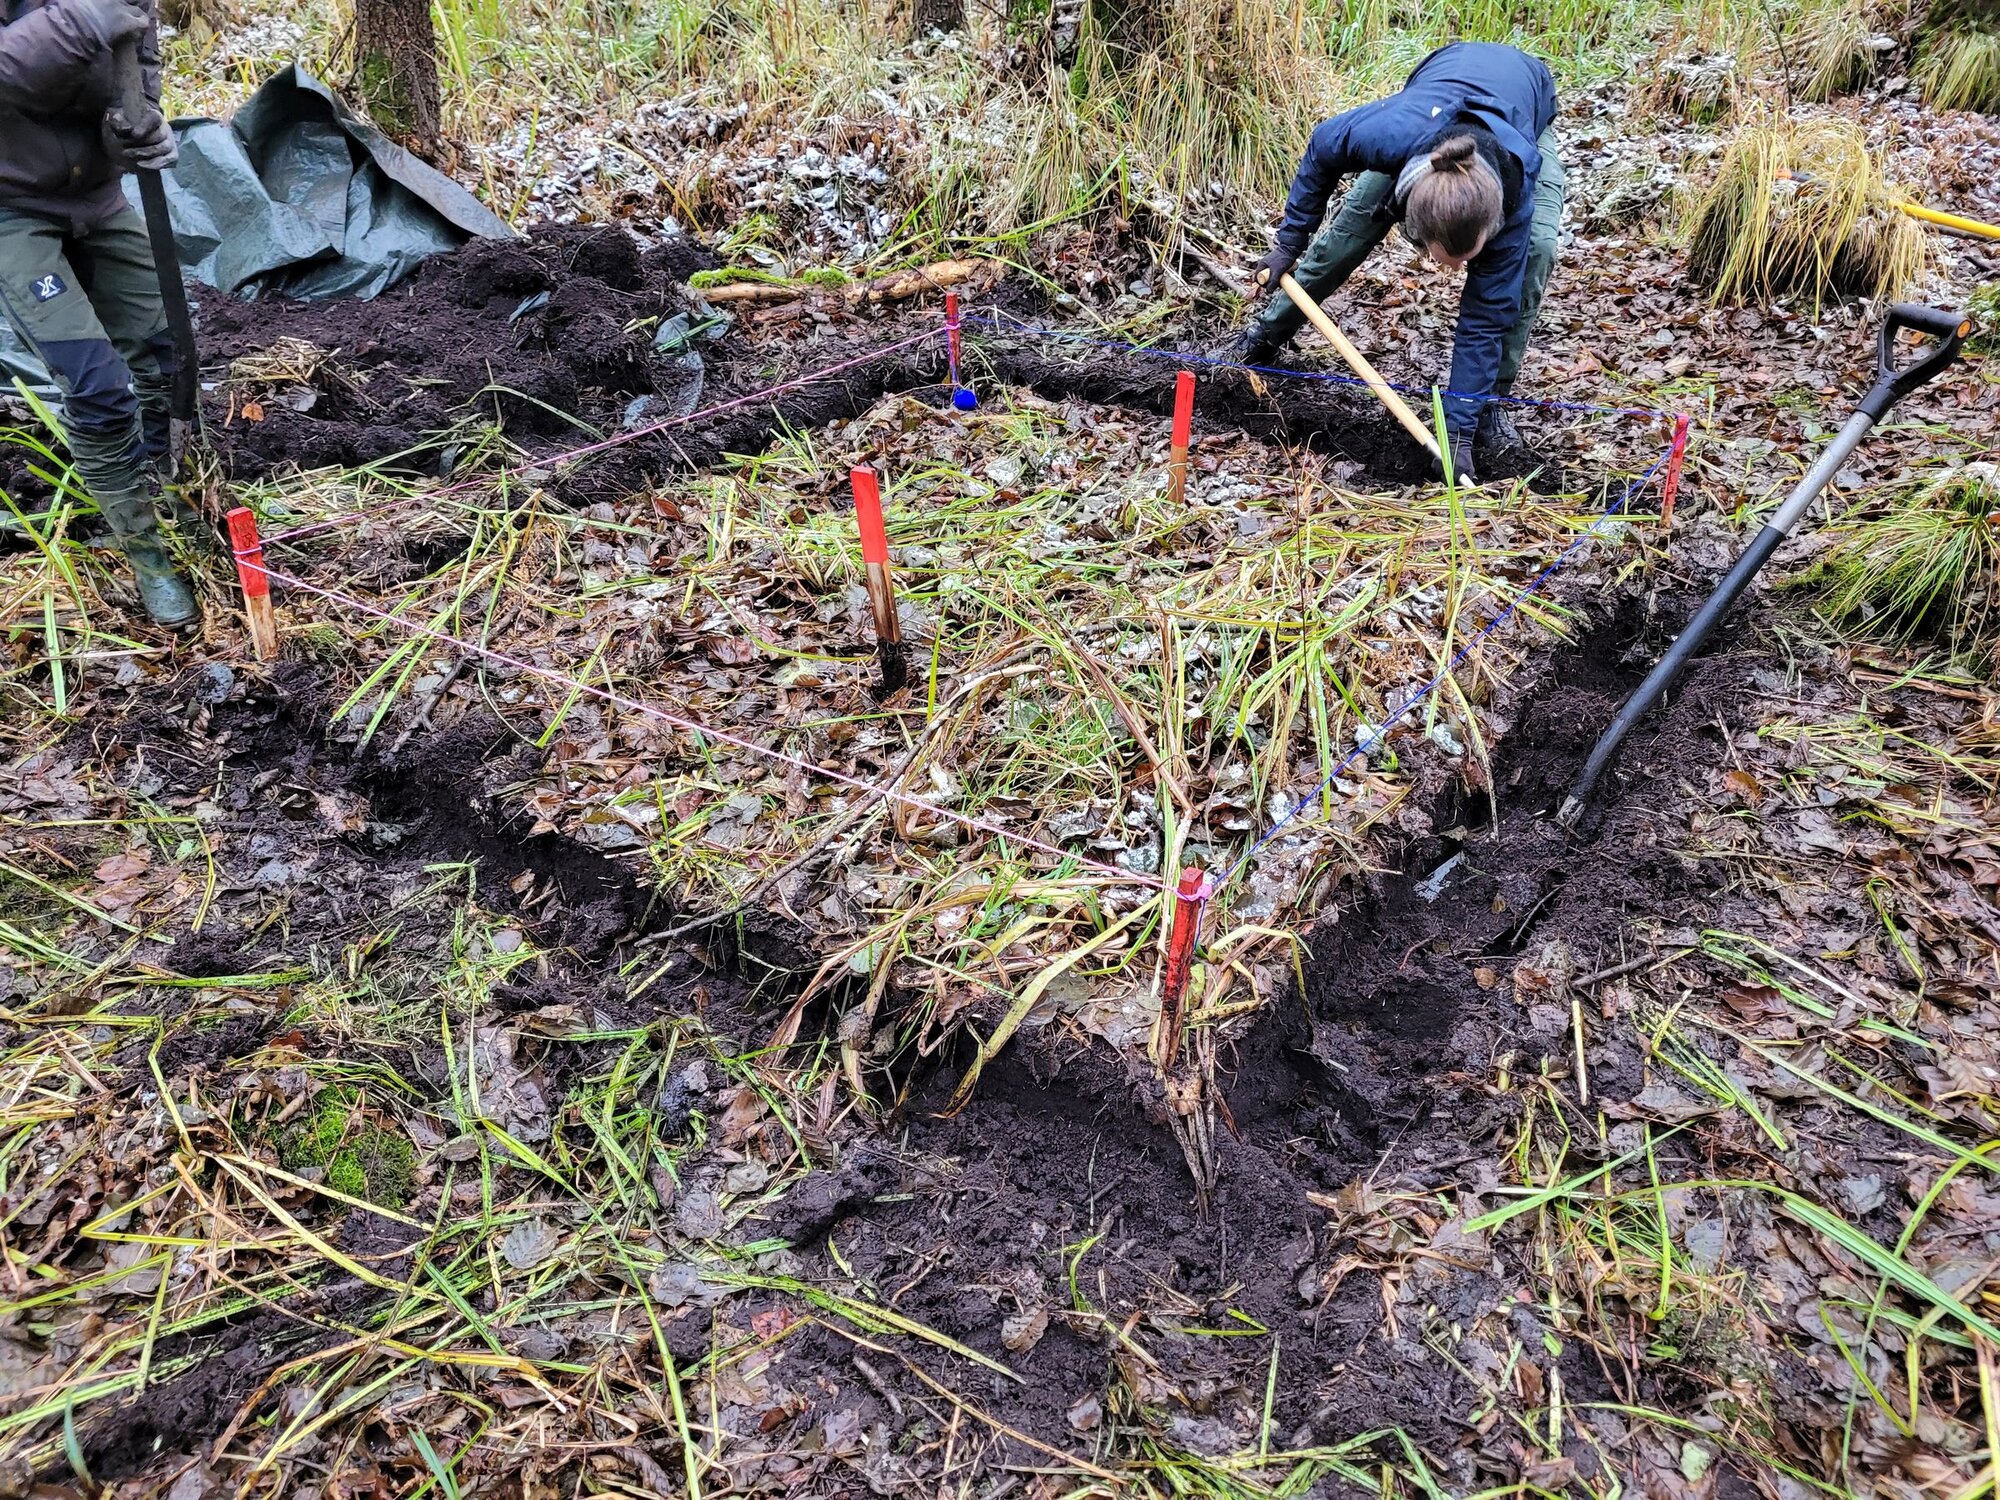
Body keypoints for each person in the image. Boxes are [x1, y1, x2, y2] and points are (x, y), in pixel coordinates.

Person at [1236, 41, 1565, 485]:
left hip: (1522, 110)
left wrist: (1457, 433)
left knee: (1536, 253)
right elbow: (1322, 147)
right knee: (1348, 233)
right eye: (1442, 257)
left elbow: (1485, 319)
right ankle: (1264, 336)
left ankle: (1486, 408)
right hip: (1433, 108)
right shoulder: (1389, 134)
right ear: (1413, 223)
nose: (1448, 270)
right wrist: (1287, 244)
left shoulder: (1513, 193)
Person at [1, 0, 197, 627]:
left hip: (97, 197)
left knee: (168, 350)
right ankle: (144, 548)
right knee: (97, 386)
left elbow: (137, 81)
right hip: (10, 209)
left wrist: (138, 131)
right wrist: (82, 20)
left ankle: (173, 490)